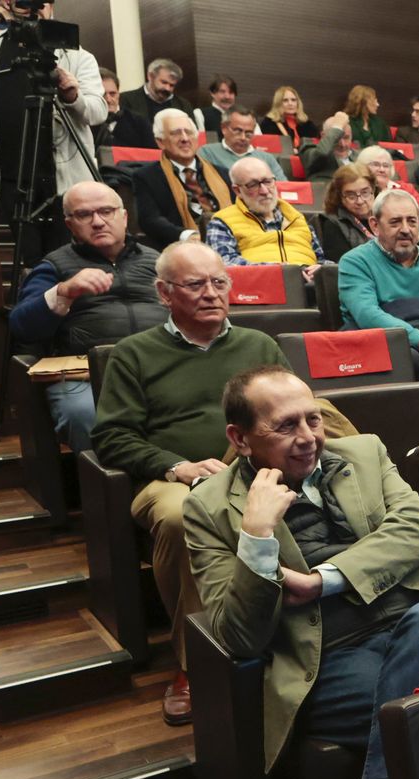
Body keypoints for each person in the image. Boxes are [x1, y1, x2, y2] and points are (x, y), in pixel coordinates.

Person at [182, 364, 419, 779]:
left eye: (313, 418)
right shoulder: (210, 507)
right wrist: (258, 536)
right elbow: (238, 634)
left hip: (415, 623)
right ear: (239, 439)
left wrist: (320, 582)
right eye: (285, 426)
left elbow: (414, 531)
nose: (308, 437)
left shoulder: (364, 453)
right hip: (324, 658)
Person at [90, 242, 289, 727]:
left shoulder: (259, 347)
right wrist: (175, 466)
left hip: (248, 467)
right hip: (170, 480)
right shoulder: (134, 355)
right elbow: (111, 437)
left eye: (218, 282)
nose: (210, 293)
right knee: (184, 516)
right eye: (195, 284)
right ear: (164, 293)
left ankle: (294, 640)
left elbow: (291, 410)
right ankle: (194, 663)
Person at [10, 182, 166, 451]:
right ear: (70, 224)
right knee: (83, 414)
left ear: (124, 216)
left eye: (106, 211)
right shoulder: (53, 266)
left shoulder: (159, 261)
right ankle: (106, 489)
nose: (97, 221)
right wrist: (65, 291)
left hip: (161, 365)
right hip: (88, 375)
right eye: (84, 215)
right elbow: (21, 326)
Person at [0, 0, 104, 260]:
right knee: (30, 260)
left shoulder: (77, 56)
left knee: (68, 259)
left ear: (51, 7)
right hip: (12, 176)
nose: (32, 9)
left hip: (64, 179)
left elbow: (97, 112)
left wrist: (73, 95)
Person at [336, 190, 419, 348]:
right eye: (395, 222)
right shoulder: (355, 262)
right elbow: (367, 314)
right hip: (392, 345)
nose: (406, 229)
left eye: (412, 221)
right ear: (375, 225)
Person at [204, 158, 324, 277]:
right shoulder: (222, 221)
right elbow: (224, 264)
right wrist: (279, 271)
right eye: (253, 185)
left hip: (311, 284)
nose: (264, 191)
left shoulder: (297, 218)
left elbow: (321, 259)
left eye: (267, 181)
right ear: (237, 191)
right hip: (260, 286)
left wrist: (321, 269)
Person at [131, 109, 233, 246]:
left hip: (230, 241)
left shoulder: (223, 174)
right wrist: (186, 235)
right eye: (175, 133)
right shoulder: (146, 176)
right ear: (160, 142)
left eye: (189, 132)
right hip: (182, 247)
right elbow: (150, 220)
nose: (185, 139)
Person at [311, 163, 380, 261]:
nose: (359, 201)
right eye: (351, 196)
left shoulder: (385, 218)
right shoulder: (332, 223)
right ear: (339, 196)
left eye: (365, 193)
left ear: (374, 190)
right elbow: (343, 264)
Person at [197, 105, 287, 180]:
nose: (243, 138)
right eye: (238, 131)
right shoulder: (207, 152)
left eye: (249, 133)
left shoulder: (267, 158)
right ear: (224, 128)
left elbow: (284, 189)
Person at [118, 58, 193, 130]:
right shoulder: (126, 100)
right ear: (150, 76)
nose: (167, 88)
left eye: (172, 85)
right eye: (164, 82)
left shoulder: (183, 105)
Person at [356, 145, 419, 210]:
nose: (382, 170)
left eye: (386, 165)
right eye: (376, 165)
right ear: (362, 167)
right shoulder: (356, 190)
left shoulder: (406, 188)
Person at [299, 111, 357, 180]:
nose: (343, 144)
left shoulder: (359, 155)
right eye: (337, 138)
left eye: (346, 138)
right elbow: (322, 152)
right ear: (323, 136)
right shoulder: (309, 150)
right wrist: (337, 127)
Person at [343, 84, 387, 149]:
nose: (377, 104)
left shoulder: (379, 123)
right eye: (374, 100)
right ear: (363, 101)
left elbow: (388, 146)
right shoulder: (346, 122)